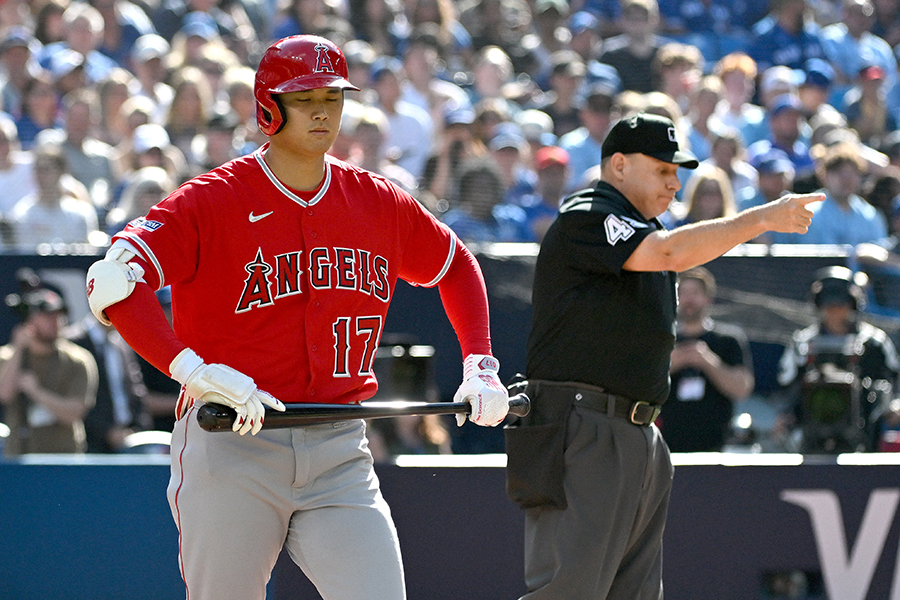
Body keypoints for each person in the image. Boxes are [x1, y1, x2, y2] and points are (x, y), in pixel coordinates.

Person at [85, 34, 511, 600]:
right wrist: (190, 370)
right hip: (232, 439)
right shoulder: (213, 199)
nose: (322, 112)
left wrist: (480, 360)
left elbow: (457, 264)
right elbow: (111, 282)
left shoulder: (378, 201)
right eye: (304, 97)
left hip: (337, 443)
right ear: (268, 106)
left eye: (332, 97)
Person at [506, 112, 821, 599]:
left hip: (638, 430)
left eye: (678, 172)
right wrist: (761, 217)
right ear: (618, 165)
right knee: (567, 592)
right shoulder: (588, 213)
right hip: (584, 424)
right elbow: (671, 253)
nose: (675, 183)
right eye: (662, 169)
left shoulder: (643, 228)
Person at [775, 266, 899, 452]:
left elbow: (894, 377)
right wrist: (785, 415)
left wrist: (893, 404)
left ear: (852, 304)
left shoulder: (874, 342)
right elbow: (786, 383)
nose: (835, 312)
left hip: (864, 428)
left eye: (841, 305)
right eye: (829, 306)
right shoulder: (803, 342)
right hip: (812, 430)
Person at [657, 267, 755, 452]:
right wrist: (673, 362)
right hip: (667, 445)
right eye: (683, 293)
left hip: (717, 445)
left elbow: (743, 388)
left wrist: (706, 360)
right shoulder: (664, 340)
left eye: (695, 293)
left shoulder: (727, 340)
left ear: (708, 298)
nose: (689, 299)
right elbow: (643, 381)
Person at [0, 287, 98, 456]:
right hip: (18, 456)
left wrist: (36, 392)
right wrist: (18, 348)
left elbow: (73, 413)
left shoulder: (78, 360)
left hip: (64, 457)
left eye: (59, 315)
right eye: (47, 316)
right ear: (29, 319)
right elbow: (5, 394)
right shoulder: (8, 356)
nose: (55, 321)